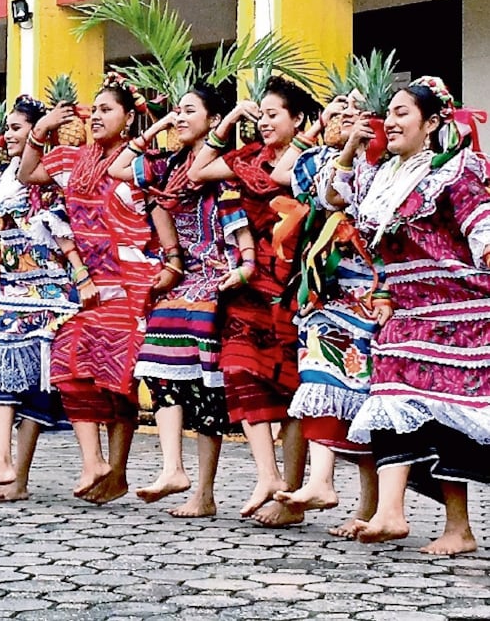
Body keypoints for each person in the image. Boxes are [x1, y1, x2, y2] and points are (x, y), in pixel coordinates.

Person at [346, 76, 490, 555]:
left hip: (459, 309)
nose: (390, 121)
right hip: (408, 309)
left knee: (454, 416)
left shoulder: (453, 171)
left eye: (403, 112)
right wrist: (350, 143)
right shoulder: (381, 178)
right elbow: (332, 198)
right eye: (388, 113)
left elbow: (481, 228)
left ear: (431, 123)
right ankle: (390, 512)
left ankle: (459, 528)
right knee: (387, 395)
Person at [18, 73, 163, 505]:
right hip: (90, 278)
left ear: (129, 117)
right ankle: (92, 461)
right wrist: (40, 132)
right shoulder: (70, 159)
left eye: (107, 110)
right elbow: (29, 174)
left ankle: (116, 472)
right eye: (94, 109)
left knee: (117, 378)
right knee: (68, 361)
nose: (97, 116)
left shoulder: (142, 160)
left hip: (134, 276)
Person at [109, 83, 252, 517]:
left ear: (214, 120)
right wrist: (158, 127)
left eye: (190, 111)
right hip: (181, 279)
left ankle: (204, 492)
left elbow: (236, 229)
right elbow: (117, 169)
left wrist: (243, 266)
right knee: (158, 368)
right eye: (177, 111)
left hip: (217, 280)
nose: (180, 117)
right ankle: (173, 467)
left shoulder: (224, 165)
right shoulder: (166, 164)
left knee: (207, 388)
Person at [190, 75, 319, 526]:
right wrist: (227, 123)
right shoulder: (250, 157)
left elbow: (284, 190)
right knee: (240, 367)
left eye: (273, 114)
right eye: (260, 114)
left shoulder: (310, 157)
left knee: (293, 390)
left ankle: (290, 496)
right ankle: (268, 475)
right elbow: (198, 171)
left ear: (298, 118)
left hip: (294, 281)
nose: (263, 122)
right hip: (247, 279)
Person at [270, 92, 385, 537]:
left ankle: (369, 510)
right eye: (335, 112)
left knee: (366, 401)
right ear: (320, 120)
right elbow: (326, 196)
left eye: (354, 113)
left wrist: (362, 148)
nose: (344, 118)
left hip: (374, 292)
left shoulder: (387, 164)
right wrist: (343, 146)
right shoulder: (313, 159)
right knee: (319, 380)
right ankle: (320, 482)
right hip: (325, 293)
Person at [0, 95, 81, 500]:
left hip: (50, 288)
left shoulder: (51, 171)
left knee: (37, 387)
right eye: (7, 128)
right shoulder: (3, 175)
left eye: (16, 127)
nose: (7, 135)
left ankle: (17, 476)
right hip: (11, 290)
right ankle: (2, 460)